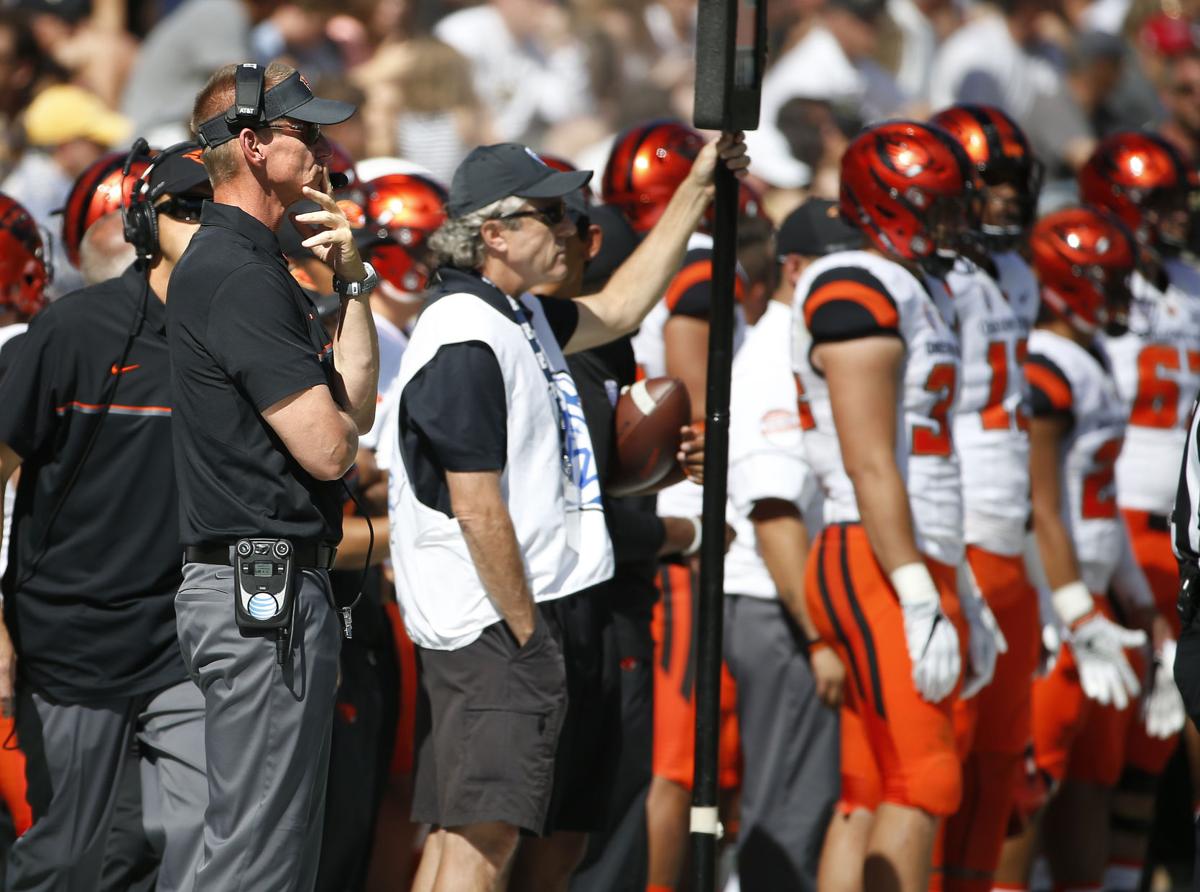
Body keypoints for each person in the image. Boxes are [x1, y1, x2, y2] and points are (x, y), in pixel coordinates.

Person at [389, 134, 747, 891]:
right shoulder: (464, 331)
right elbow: (477, 505)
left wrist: (696, 189)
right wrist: (526, 635)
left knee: (506, 839)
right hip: (495, 624)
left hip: (531, 613)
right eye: (547, 214)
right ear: (493, 233)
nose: (567, 228)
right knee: (481, 842)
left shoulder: (520, 315)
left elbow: (620, 307)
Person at [167, 60, 380, 890]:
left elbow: (350, 402)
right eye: (306, 132)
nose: (324, 146)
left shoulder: (256, 264)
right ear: (251, 146)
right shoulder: (238, 271)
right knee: (258, 860)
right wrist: (347, 431)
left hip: (270, 590)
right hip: (262, 591)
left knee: (266, 849)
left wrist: (354, 281)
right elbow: (329, 449)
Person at [0, 142, 212, 892]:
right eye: (199, 216)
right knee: (65, 857)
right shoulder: (72, 333)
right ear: (153, 225)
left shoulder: (242, 337)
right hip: (71, 644)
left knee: (201, 834)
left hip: (183, 641)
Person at [792, 120, 970, 892]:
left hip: (895, 548)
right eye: (934, 208)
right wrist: (917, 587)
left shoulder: (907, 281)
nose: (950, 224)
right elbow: (869, 459)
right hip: (877, 550)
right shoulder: (856, 283)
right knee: (927, 782)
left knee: (872, 787)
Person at [601, 118, 748, 892]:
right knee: (678, 759)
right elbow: (697, 415)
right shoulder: (692, 273)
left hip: (658, 514)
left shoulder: (641, 272)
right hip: (681, 527)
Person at [1020, 207, 1170, 891]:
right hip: (1055, 605)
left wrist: (1142, 611)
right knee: (1031, 783)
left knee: (1092, 779)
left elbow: (1101, 500)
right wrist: (1075, 612)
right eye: (1106, 282)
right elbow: (1040, 504)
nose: (1120, 298)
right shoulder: (1045, 365)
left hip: (1094, 593)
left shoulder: (1089, 358)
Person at [927, 103, 1044, 892]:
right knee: (945, 758)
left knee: (1003, 761)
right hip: (958, 531)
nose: (1003, 198)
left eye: (1012, 182)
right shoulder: (928, 277)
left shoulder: (1018, 275)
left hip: (1009, 534)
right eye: (987, 181)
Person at [1078, 130, 1197, 891]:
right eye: (1156, 203)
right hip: (1113, 524)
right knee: (1091, 744)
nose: (1176, 217)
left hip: (1178, 535)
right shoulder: (1096, 288)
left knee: (1158, 744)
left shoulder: (1189, 279)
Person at [723, 198, 851, 891]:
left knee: (811, 806)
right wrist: (821, 635)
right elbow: (774, 511)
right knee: (790, 811)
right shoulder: (777, 351)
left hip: (792, 605)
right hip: (780, 605)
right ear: (795, 270)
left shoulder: (803, 340)